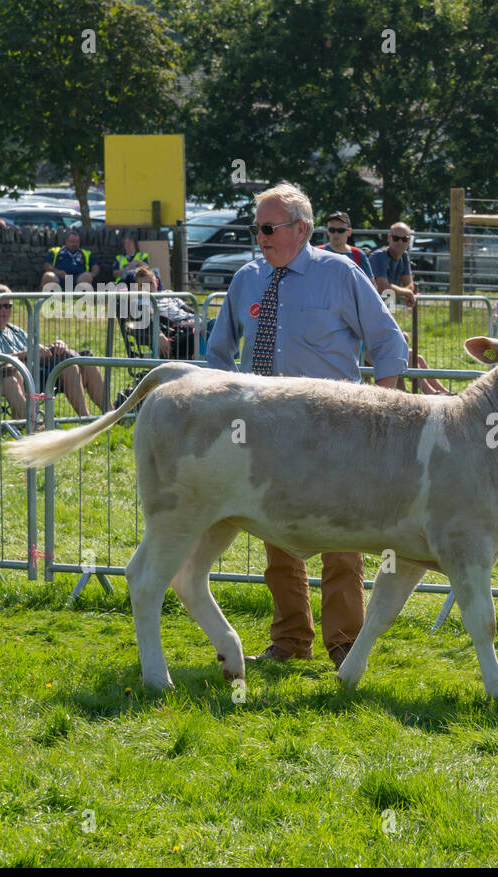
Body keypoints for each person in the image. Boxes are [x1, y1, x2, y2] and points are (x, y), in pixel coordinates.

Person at [207, 181, 408, 668]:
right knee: (277, 541)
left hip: (336, 432)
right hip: (266, 435)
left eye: (269, 227)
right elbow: (215, 355)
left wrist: (385, 415)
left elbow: (387, 342)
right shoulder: (246, 280)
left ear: (301, 229)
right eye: (256, 228)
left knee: (342, 543)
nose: (260, 236)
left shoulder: (340, 273)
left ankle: (345, 647)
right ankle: (291, 641)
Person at [0, 283, 112, 418]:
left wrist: (56, 345)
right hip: (20, 375)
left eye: (8, 306)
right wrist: (28, 353)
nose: (4, 310)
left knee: (85, 365)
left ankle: (113, 415)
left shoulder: (14, 330)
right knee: (70, 367)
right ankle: (86, 420)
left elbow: (37, 348)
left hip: (37, 371)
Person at [131, 265, 205, 360]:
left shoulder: (169, 294)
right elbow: (147, 318)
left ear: (156, 282)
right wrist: (159, 334)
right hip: (178, 331)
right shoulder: (142, 301)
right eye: (143, 286)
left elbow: (189, 310)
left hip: (195, 323)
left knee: (218, 325)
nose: (148, 288)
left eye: (150, 283)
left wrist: (203, 319)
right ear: (138, 288)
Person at [369, 222, 417, 306]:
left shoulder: (404, 255)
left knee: (388, 316)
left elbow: (410, 286)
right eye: (396, 238)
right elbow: (383, 288)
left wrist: (407, 292)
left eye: (404, 239)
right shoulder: (379, 256)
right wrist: (407, 293)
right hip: (367, 305)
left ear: (409, 241)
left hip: (386, 301)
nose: (400, 242)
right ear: (389, 238)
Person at [317, 211, 373, 279]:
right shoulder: (317, 253)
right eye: (332, 230)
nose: (336, 234)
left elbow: (371, 285)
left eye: (341, 230)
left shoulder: (358, 254)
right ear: (327, 232)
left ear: (349, 232)